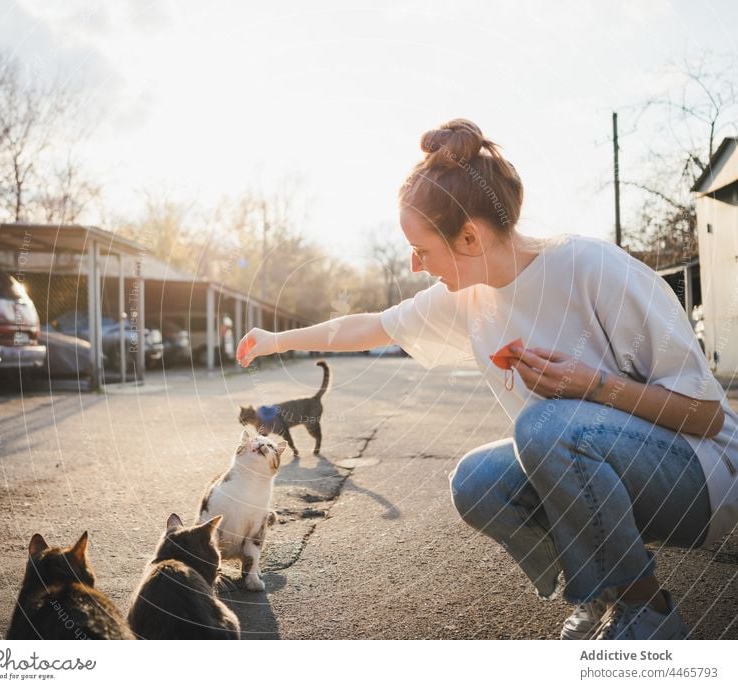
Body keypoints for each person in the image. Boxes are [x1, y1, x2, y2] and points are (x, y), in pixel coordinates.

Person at [236, 119, 738, 640]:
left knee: (544, 426)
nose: (414, 264)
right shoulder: (469, 294)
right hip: (612, 470)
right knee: (478, 483)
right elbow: (369, 325)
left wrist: (593, 386)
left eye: (422, 249)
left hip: (701, 477)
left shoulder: (593, 268)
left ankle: (648, 608)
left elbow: (707, 415)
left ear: (470, 236)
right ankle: (603, 588)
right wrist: (276, 340)